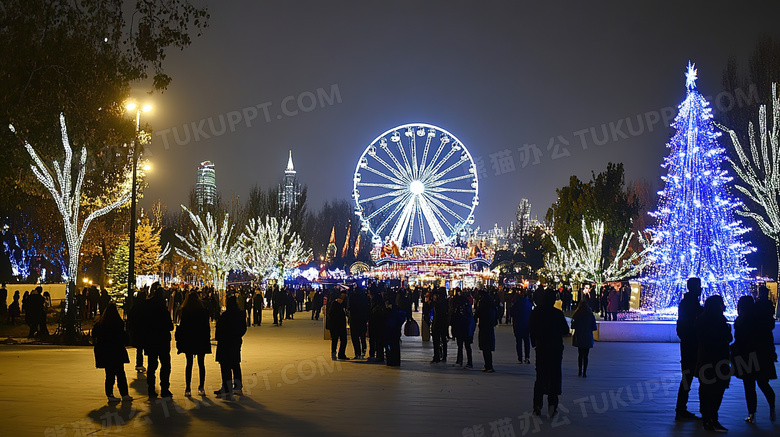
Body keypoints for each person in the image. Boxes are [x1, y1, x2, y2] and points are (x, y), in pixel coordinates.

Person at [733, 295, 776, 423]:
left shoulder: (740, 320)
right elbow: (767, 338)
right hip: (760, 356)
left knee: (749, 386)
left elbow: (739, 340)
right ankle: (771, 407)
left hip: (746, 357)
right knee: (763, 383)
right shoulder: (759, 320)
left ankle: (751, 413)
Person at [529, 288, 570, 417]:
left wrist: (535, 342)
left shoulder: (537, 312)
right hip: (555, 348)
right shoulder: (557, 313)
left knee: (540, 376)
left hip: (542, 347)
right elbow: (565, 330)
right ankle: (552, 405)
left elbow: (531, 328)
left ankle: (537, 404)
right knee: (554, 375)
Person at [695, 295, 732, 432]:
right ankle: (712, 419)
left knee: (706, 390)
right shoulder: (719, 320)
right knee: (717, 390)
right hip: (718, 360)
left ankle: (707, 419)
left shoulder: (702, 319)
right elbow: (727, 338)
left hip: (705, 359)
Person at [675, 277, 704, 421]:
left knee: (687, 378)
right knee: (694, 377)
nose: (701, 288)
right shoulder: (691, 305)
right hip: (693, 347)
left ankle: (681, 408)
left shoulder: (687, 303)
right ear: (693, 287)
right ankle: (683, 409)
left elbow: (680, 328)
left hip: (687, 346)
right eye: (699, 286)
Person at [92, 303, 132, 403]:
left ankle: (110, 394)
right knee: (120, 374)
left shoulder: (100, 324)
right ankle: (124, 393)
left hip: (105, 352)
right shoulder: (118, 323)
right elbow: (124, 337)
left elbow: (94, 335)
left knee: (109, 375)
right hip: (117, 351)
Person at [176, 292, 212, 397]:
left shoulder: (185, 311)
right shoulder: (203, 311)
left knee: (189, 364)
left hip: (189, 340)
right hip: (200, 339)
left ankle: (188, 388)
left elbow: (182, 327)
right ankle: (201, 387)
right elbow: (206, 327)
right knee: (201, 364)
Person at [143, 284, 174, 399]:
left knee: (152, 365)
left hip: (151, 340)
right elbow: (170, 327)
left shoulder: (148, 307)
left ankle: (151, 389)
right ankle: (164, 388)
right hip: (162, 341)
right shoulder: (163, 309)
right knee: (165, 365)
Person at [215, 295, 247, 400]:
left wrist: (220, 337)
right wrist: (237, 336)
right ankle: (237, 385)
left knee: (225, 366)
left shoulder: (225, 316)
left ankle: (227, 387)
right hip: (235, 342)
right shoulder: (240, 315)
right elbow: (243, 328)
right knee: (235, 364)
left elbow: (219, 330)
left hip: (225, 343)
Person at [570, 300, 597, 377]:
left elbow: (573, 326)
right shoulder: (590, 314)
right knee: (586, 355)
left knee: (580, 354)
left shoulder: (577, 314)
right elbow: (594, 327)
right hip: (588, 335)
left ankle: (579, 370)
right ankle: (585, 372)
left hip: (579, 335)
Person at [450, 290, 475, 369]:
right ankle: (467, 362)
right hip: (465, 329)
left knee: (461, 345)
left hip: (462, 328)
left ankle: (461, 361)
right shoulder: (467, 309)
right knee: (465, 346)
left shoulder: (459, 311)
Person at [475, 289, 497, 372]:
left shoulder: (483, 303)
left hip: (484, 326)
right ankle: (488, 364)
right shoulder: (491, 304)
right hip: (489, 327)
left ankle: (488, 365)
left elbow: (479, 313)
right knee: (487, 347)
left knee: (485, 347)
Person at [511, 290, 533, 364]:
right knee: (527, 341)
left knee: (519, 342)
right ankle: (527, 357)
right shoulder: (529, 304)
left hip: (518, 325)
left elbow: (512, 313)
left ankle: (520, 358)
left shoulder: (516, 304)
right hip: (527, 325)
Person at [127, 290, 147, 372]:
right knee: (145, 348)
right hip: (144, 330)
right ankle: (141, 364)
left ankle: (139, 363)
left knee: (139, 348)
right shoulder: (146, 307)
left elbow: (130, 319)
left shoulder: (134, 307)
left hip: (137, 330)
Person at [327, 291, 350, 360]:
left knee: (343, 340)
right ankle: (334, 354)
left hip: (341, 325)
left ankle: (341, 354)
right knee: (335, 340)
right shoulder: (335, 304)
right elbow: (330, 315)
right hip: (335, 325)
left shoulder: (344, 304)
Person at [430, 289, 450, 363]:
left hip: (437, 322)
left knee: (436, 340)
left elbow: (434, 310)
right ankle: (444, 356)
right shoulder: (446, 301)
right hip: (444, 323)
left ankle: (437, 356)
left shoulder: (437, 303)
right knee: (444, 340)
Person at [349, 287, 369, 359]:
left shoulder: (352, 298)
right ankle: (363, 350)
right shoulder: (364, 298)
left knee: (355, 337)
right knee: (362, 336)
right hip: (362, 319)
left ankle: (357, 352)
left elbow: (349, 308)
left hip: (354, 319)